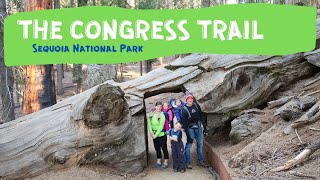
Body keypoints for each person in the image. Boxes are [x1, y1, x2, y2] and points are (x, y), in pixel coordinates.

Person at [181, 94, 208, 169]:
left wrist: (205, 128)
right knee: (189, 145)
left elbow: (201, 116)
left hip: (198, 126)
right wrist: (188, 135)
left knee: (200, 144)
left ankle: (200, 160)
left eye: (191, 99)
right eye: (188, 99)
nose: (190, 100)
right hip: (190, 128)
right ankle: (188, 162)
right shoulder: (184, 110)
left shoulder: (196, 106)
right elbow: (185, 124)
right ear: (186, 100)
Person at [147, 102, 169, 169]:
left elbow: (161, 126)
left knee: (164, 148)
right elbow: (149, 123)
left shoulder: (162, 115)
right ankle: (158, 161)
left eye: (160, 107)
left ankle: (165, 162)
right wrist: (151, 132)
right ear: (155, 106)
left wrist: (155, 135)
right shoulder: (151, 114)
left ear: (161, 108)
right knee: (157, 148)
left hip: (161, 135)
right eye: (157, 106)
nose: (158, 108)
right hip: (154, 134)